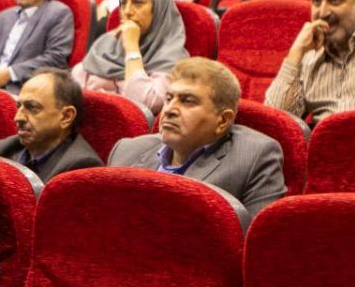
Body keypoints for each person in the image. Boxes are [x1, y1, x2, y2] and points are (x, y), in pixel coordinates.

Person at [107, 57, 287, 220]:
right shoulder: (126, 151)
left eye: (187, 101)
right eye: (168, 98)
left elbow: (255, 241)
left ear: (223, 120)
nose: (169, 110)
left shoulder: (254, 158)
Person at [75, 0, 187, 118]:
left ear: (158, 9)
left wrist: (132, 49)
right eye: (123, 3)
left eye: (137, 2)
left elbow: (145, 106)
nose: (127, 11)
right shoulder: (108, 41)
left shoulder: (172, 55)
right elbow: (73, 91)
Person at [0, 68, 103, 184]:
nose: (18, 118)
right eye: (19, 106)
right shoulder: (0, 151)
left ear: (66, 116)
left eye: (32, 108)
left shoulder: (80, 169)